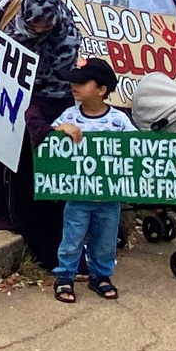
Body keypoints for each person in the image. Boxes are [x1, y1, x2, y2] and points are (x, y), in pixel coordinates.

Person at [0, 0, 82, 269]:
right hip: (5, 90)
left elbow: (48, 78)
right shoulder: (13, 3)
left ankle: (36, 226)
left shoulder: (66, 36)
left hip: (46, 96)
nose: (39, 29)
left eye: (45, 25)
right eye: (33, 24)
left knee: (32, 165)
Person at [48, 58, 134, 302]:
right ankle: (65, 277)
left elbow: (139, 150)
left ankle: (101, 276)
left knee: (106, 240)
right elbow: (49, 143)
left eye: (82, 82)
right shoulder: (69, 116)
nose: (74, 86)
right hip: (78, 195)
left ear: (102, 89)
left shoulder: (119, 120)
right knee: (72, 239)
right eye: (74, 81)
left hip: (109, 196)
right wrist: (62, 130)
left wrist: (173, 166)